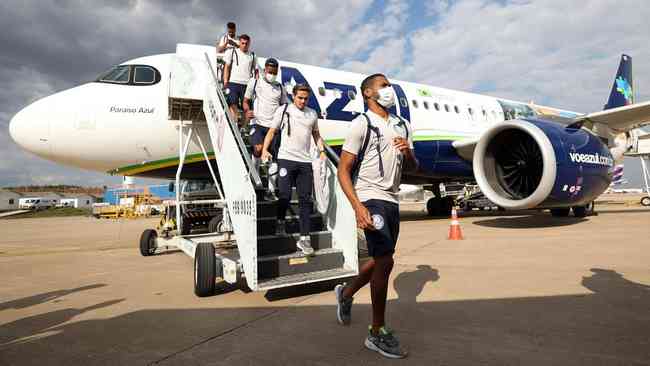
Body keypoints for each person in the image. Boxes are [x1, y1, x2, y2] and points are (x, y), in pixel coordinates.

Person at [334, 73, 418, 359]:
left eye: (389, 84)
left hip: (392, 200)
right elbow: (343, 169)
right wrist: (358, 206)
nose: (389, 89)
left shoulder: (401, 125)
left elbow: (412, 166)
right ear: (368, 93)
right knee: (386, 261)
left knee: (379, 259)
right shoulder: (361, 124)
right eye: (383, 85)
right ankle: (377, 332)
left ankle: (345, 294)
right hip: (371, 197)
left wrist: (409, 153)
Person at [261, 84, 326, 256]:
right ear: (293, 95)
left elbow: (316, 135)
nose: (303, 101)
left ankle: (305, 238)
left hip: (305, 162)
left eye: (306, 98)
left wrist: (322, 151)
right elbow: (272, 131)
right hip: (286, 159)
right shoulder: (284, 110)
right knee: (285, 195)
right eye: (300, 98)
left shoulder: (312, 114)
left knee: (305, 200)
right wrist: (265, 150)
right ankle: (280, 222)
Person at [243, 58, 287, 194]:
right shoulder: (255, 82)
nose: (272, 74)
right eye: (270, 71)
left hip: (273, 127)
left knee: (273, 158)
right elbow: (245, 101)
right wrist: (246, 111)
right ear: (265, 70)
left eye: (274, 72)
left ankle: (271, 190)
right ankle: (255, 179)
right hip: (258, 123)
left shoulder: (280, 88)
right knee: (258, 149)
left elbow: (284, 106)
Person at [223, 34, 257, 126]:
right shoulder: (233, 52)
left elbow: (256, 71)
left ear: (249, 44)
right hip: (233, 82)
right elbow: (227, 67)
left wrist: (255, 84)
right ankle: (234, 124)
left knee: (246, 107)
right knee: (232, 103)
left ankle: (243, 129)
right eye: (242, 43)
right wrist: (225, 81)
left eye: (246, 43)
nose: (244, 45)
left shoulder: (252, 56)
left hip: (247, 84)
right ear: (239, 43)